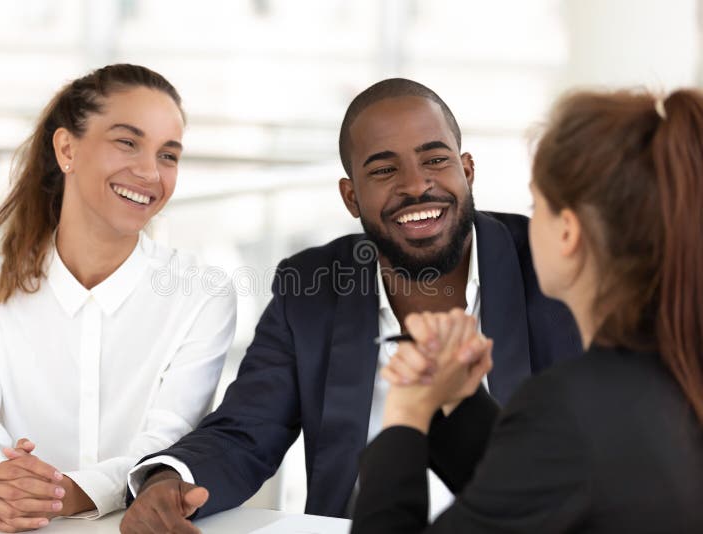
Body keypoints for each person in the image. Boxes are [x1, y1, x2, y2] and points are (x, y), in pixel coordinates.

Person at [120, 78, 582, 534]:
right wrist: (169, 480)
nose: (417, 185)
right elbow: (247, 429)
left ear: (467, 170)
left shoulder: (553, 268)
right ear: (351, 196)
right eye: (384, 170)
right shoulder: (310, 287)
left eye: (435, 160)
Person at [351, 88, 703, 533]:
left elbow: (565, 452)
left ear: (568, 233)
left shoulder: (573, 407)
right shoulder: (670, 372)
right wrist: (457, 400)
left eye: (538, 207)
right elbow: (544, 483)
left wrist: (405, 415)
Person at [0, 64, 236, 532]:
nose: (151, 172)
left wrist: (64, 493)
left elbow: (167, 443)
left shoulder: (202, 295)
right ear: (67, 148)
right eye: (127, 142)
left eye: (168, 155)